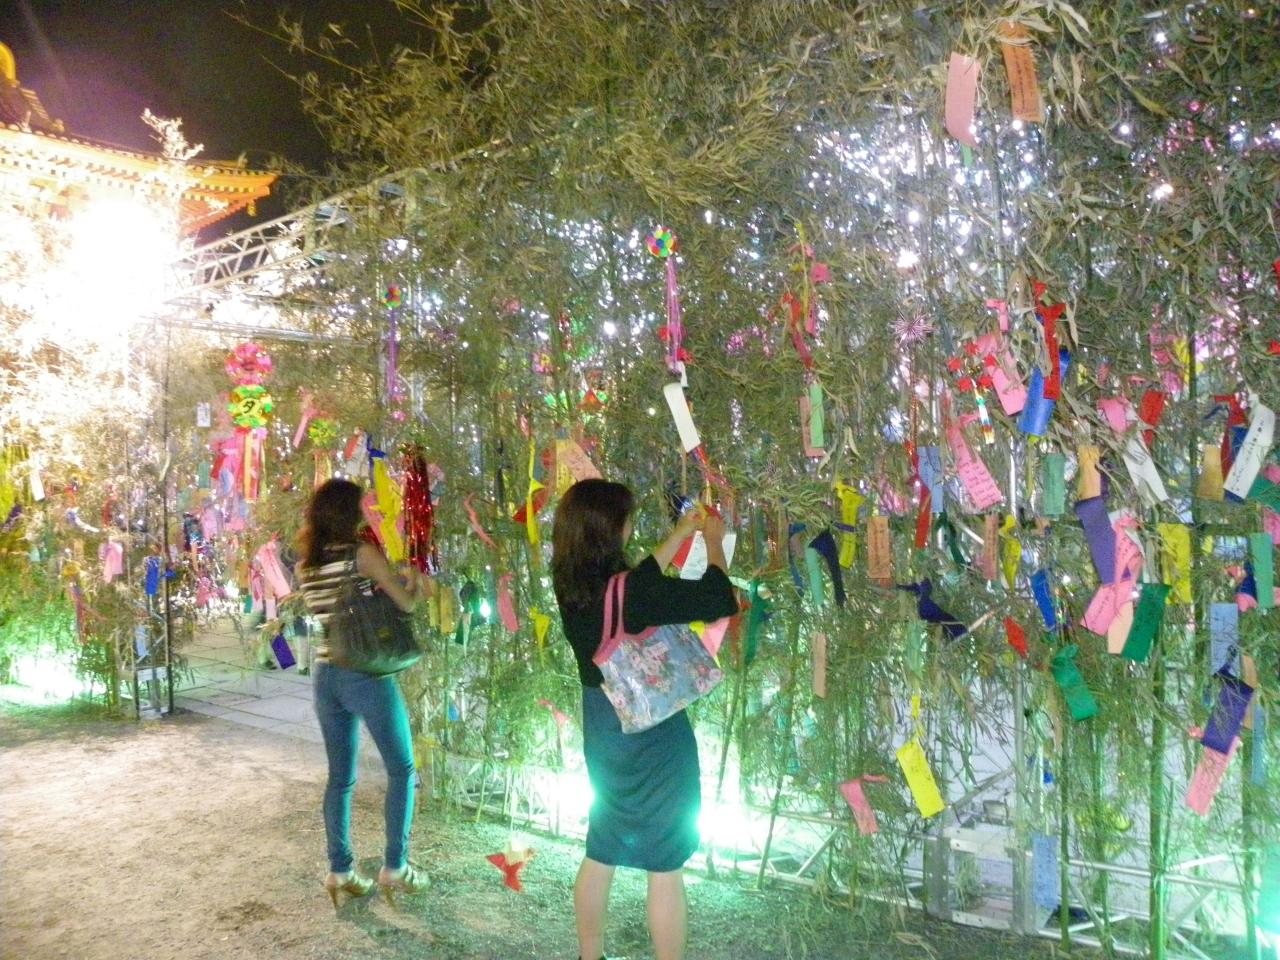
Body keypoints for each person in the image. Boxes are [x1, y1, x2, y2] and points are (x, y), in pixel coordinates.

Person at [552, 478, 737, 960]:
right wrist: (714, 541)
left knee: (602, 846)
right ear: (613, 529)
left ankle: (590, 955)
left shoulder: (570, 577)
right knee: (665, 863)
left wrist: (679, 534)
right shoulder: (636, 592)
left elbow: (633, 585)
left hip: (603, 725)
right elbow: (719, 598)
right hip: (653, 730)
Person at [295, 478, 430, 909]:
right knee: (401, 769)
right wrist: (414, 583)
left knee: (340, 777)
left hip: (326, 674)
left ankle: (340, 870)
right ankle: (396, 866)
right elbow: (405, 604)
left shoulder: (306, 566)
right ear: (348, 513)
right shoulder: (362, 554)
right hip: (366, 673)